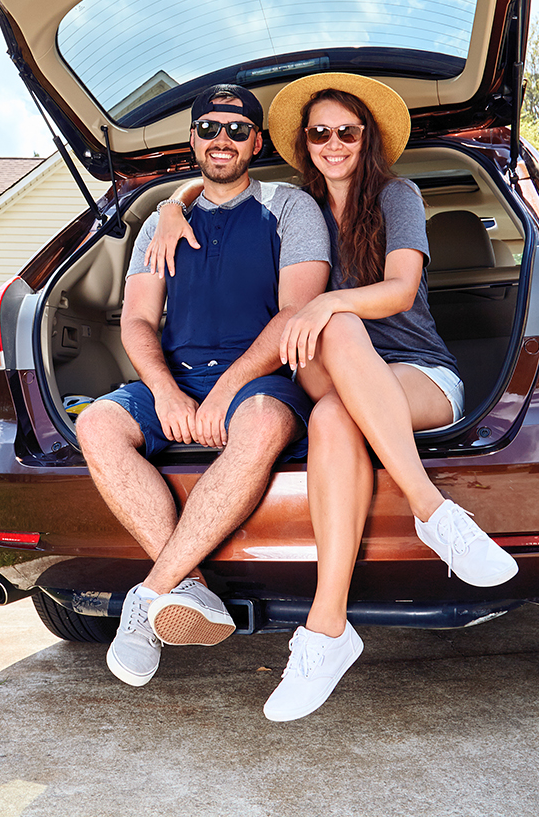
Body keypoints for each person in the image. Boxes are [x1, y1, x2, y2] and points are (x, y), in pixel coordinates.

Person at [145, 72, 518, 721]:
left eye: (347, 130)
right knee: (330, 383)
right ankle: (364, 588)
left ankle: (366, 582)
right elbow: (221, 184)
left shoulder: (397, 195)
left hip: (419, 375)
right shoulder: (297, 208)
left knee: (335, 372)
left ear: (366, 136)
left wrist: (325, 303)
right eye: (319, 132)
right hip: (333, 376)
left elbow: (400, 290)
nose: (333, 142)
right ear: (305, 142)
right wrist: (173, 206)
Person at [76, 84, 331, 689]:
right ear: (192, 138)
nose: (223, 140)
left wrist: (225, 390)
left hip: (260, 379)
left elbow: (296, 313)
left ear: (257, 141)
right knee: (96, 423)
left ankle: (147, 599)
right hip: (177, 381)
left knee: (264, 424)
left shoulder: (289, 208)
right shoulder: (160, 225)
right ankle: (188, 587)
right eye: (210, 128)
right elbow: (137, 320)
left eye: (237, 130)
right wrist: (165, 389)